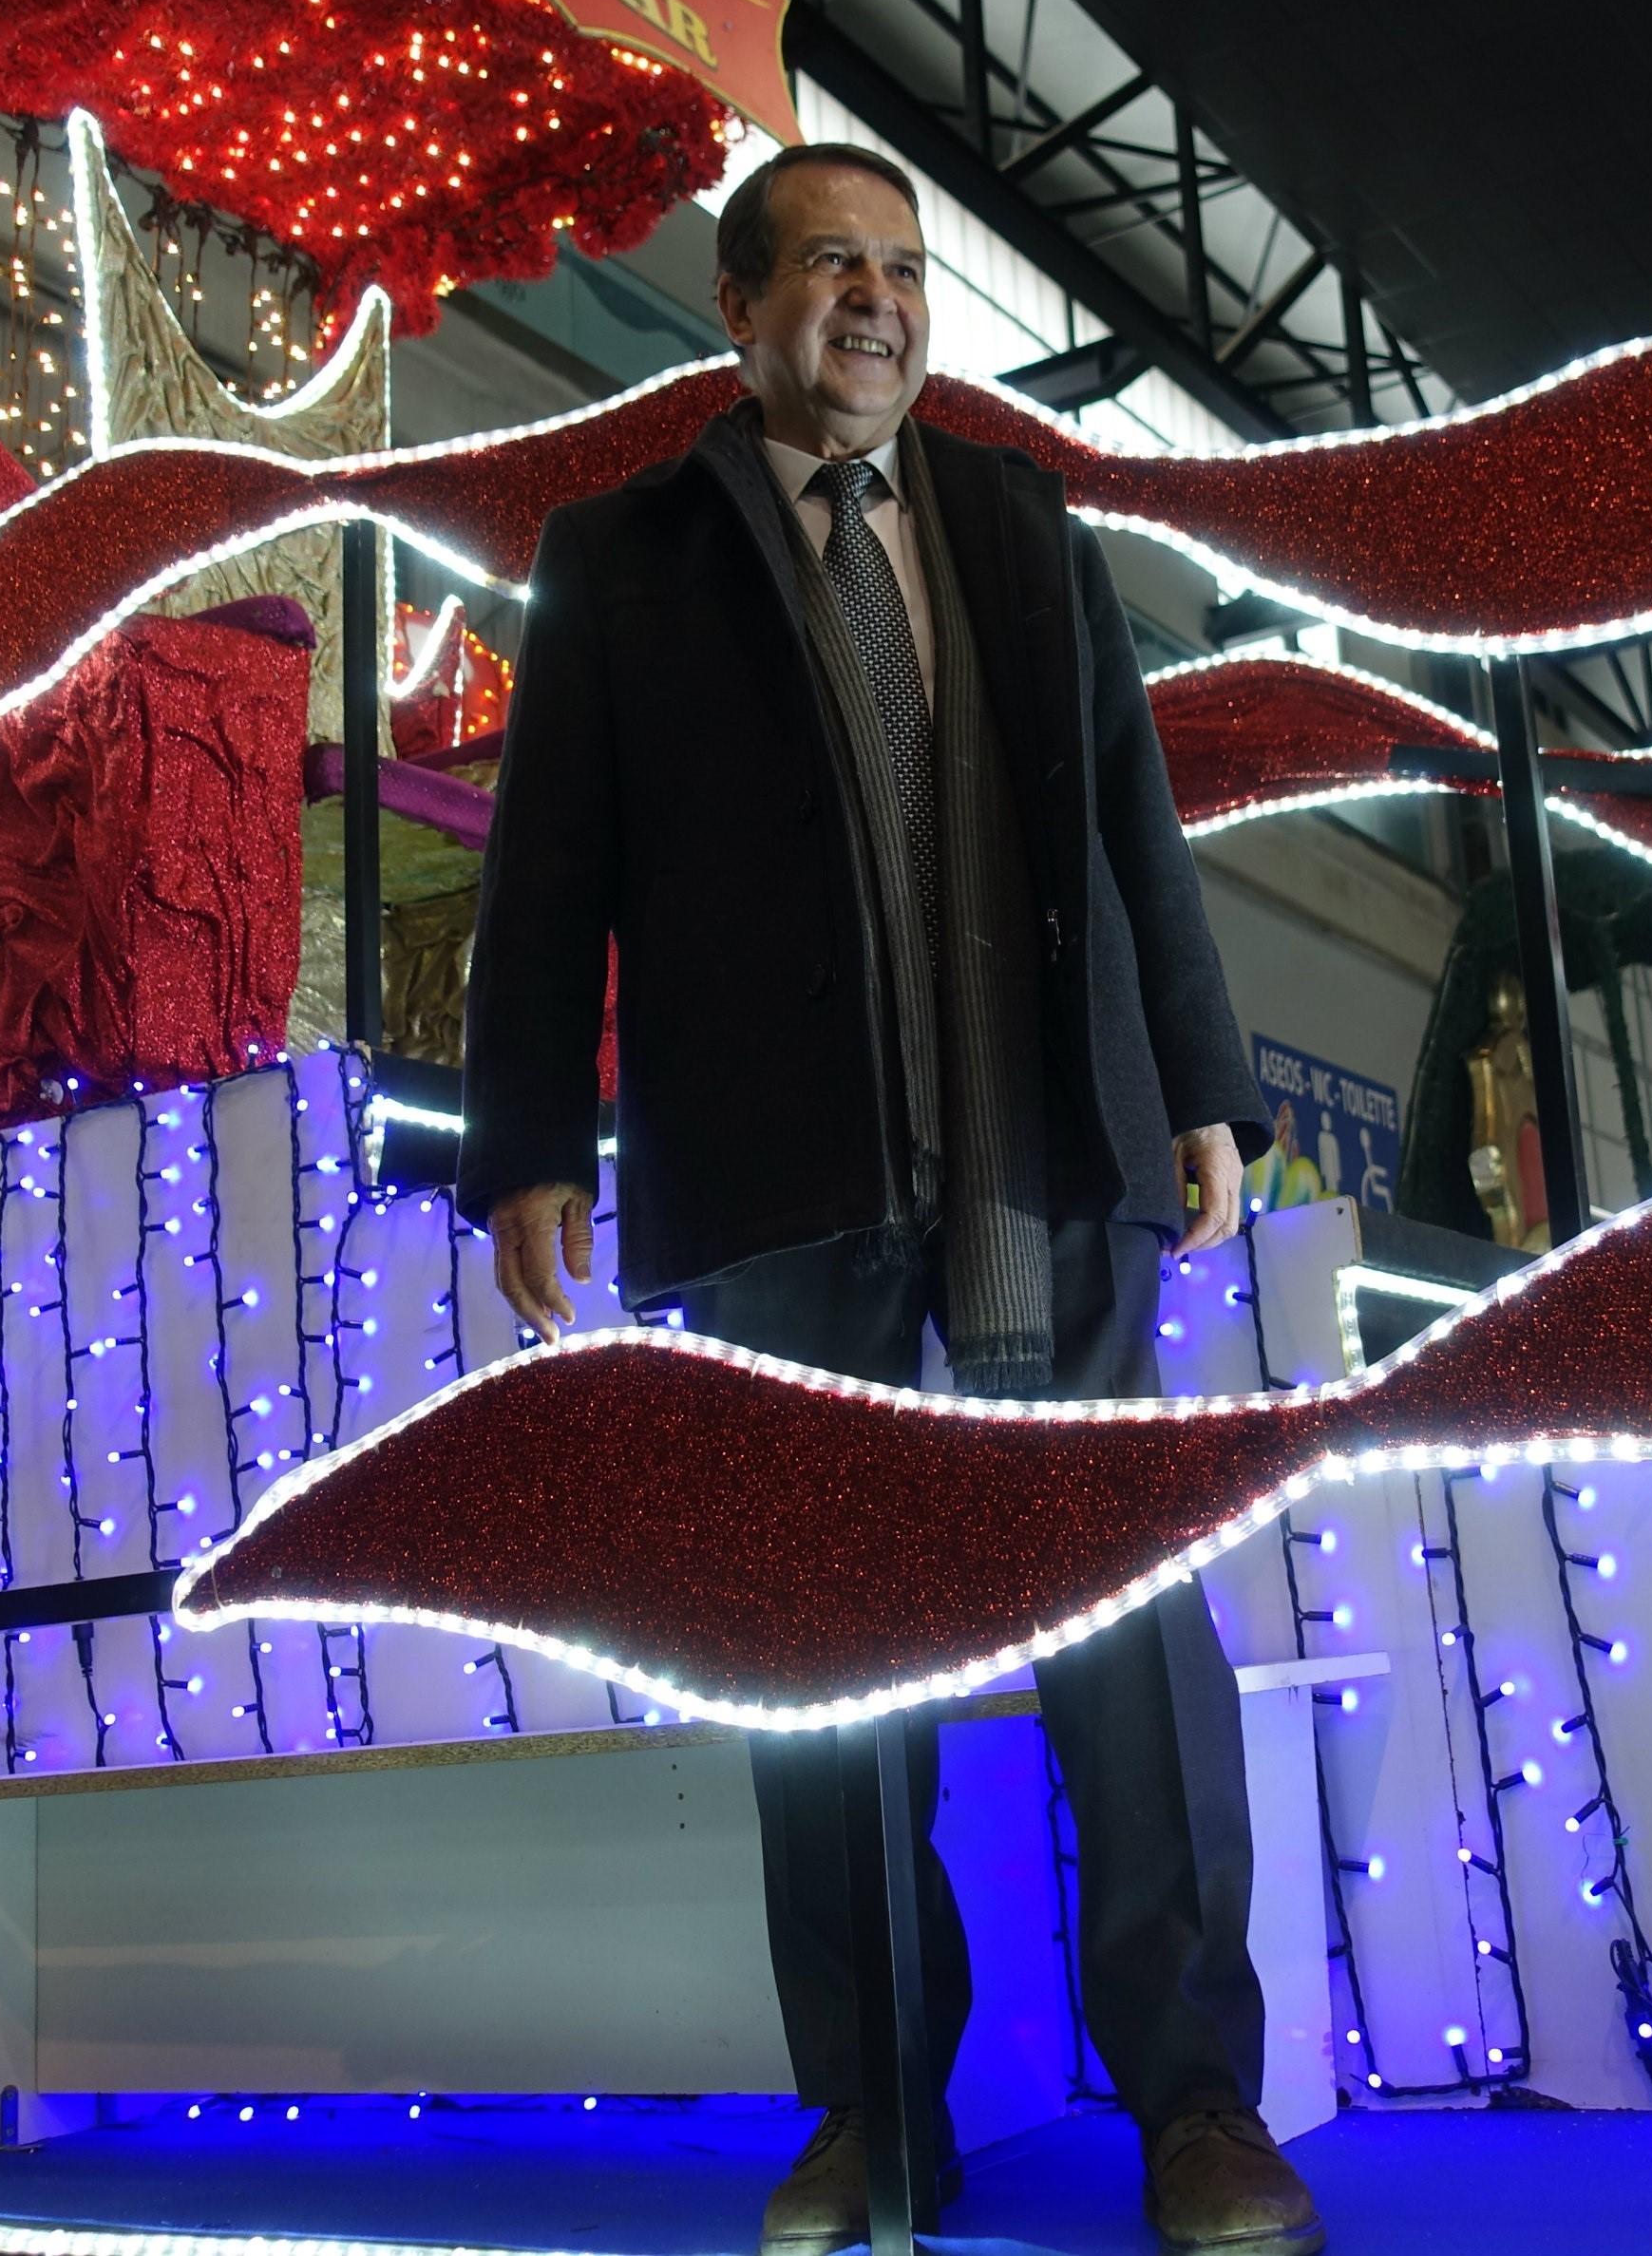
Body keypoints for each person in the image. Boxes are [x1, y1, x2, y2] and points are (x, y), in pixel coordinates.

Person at [457, 141, 1327, 2256]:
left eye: (903, 269)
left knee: (1127, 1615)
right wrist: (522, 1145)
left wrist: (1200, 1084)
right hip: (774, 1167)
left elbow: (1132, 818)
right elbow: (545, 865)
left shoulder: (1022, 521)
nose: (876, 299)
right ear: (739, 309)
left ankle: (1196, 2100)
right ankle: (874, 2111)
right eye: (833, 264)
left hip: (1045, 1142)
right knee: (820, 1643)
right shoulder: (622, 553)